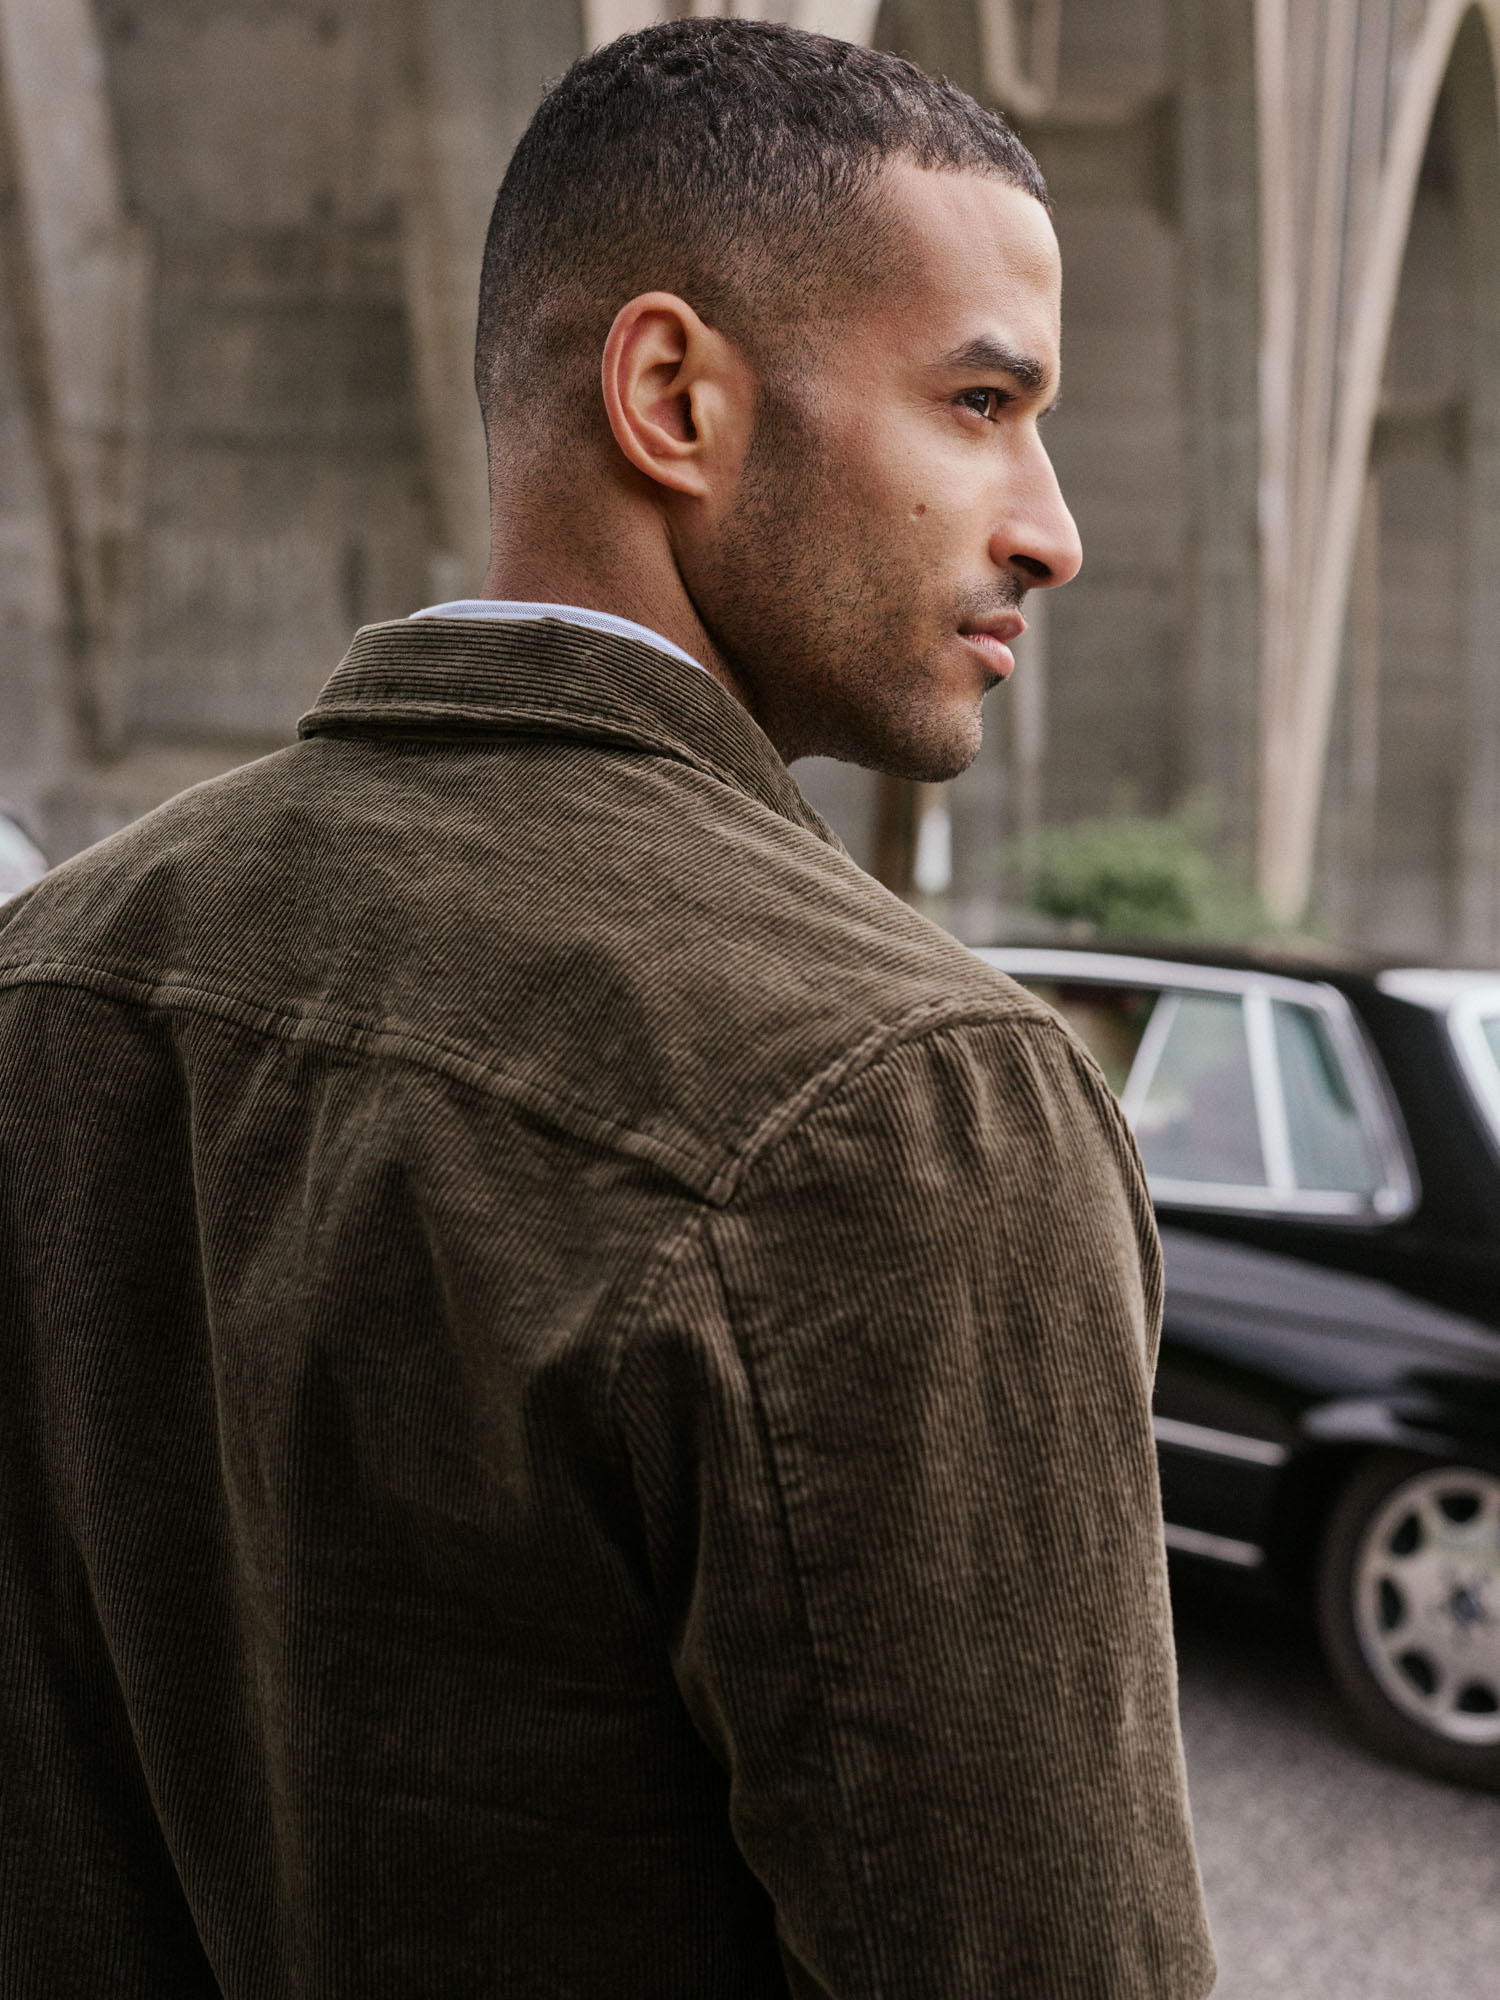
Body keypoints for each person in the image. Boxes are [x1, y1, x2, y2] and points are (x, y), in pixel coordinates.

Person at [0, 19, 1215, 1997]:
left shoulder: (49, 981)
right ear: (672, 395)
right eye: (982, 401)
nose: (1052, 527)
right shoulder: (901, 1104)